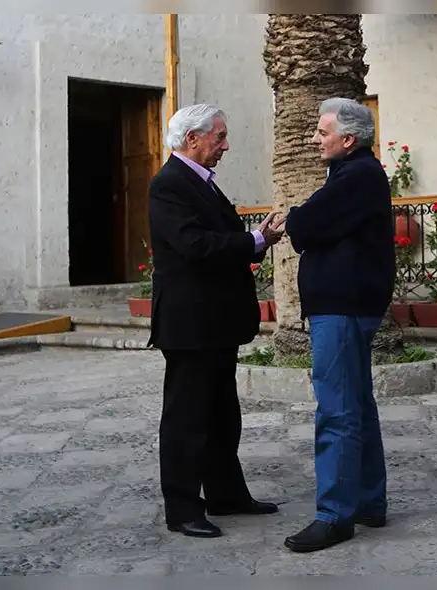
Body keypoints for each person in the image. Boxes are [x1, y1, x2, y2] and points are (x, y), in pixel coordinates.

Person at [147, 103, 285, 538]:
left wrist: (255, 241)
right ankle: (184, 508)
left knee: (223, 414)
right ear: (193, 139)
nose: (225, 146)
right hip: (191, 324)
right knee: (187, 419)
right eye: (219, 137)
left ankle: (227, 494)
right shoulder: (169, 185)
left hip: (216, 322)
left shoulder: (200, 183)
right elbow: (194, 245)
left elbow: (220, 239)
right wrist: (254, 239)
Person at [281, 97, 395, 553]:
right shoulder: (353, 175)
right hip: (346, 306)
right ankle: (368, 501)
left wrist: (293, 219)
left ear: (348, 139)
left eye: (322, 131)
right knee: (357, 405)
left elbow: (305, 225)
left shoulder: (359, 176)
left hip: (343, 308)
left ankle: (334, 515)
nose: (314, 138)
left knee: (337, 411)